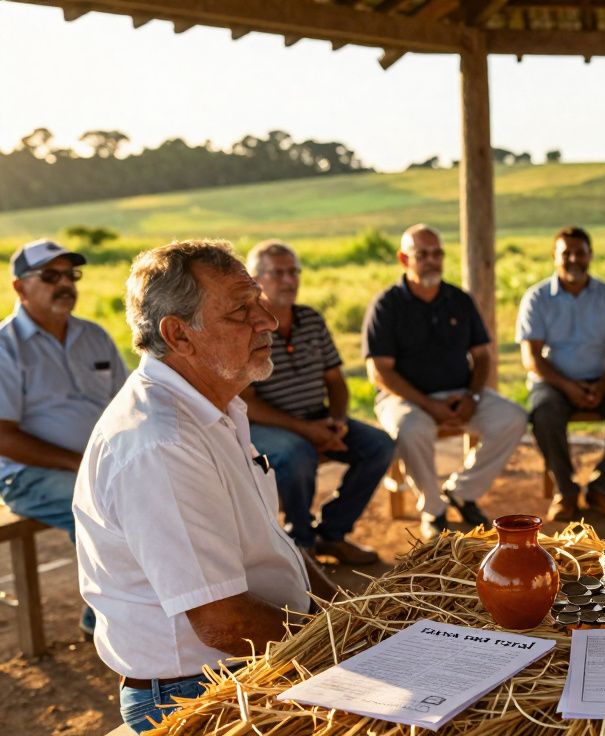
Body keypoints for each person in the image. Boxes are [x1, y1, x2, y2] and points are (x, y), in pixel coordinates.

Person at [73, 240, 337, 733]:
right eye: (241, 309)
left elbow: (272, 543)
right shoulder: (161, 443)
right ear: (179, 335)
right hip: (199, 689)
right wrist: (346, 642)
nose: (268, 320)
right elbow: (224, 623)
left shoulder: (213, 407)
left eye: (258, 300)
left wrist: (343, 613)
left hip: (247, 663)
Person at [365, 225, 527, 540]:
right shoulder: (387, 305)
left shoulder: (459, 299)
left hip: (461, 393)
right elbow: (380, 372)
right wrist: (429, 405)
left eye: (437, 253)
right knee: (410, 430)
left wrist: (472, 396)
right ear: (403, 259)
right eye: (421, 254)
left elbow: (481, 356)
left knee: (513, 418)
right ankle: (433, 509)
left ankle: (462, 492)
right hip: (404, 398)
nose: (431, 260)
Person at [1, 239, 126, 637]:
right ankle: (104, 621)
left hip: (100, 464)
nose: (65, 284)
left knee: (156, 488)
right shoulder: (5, 347)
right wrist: (80, 464)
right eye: (50, 276)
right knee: (100, 504)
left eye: (70, 275)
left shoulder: (94, 335)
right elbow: (3, 437)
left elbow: (128, 404)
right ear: (20, 287)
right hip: (27, 476)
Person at [242, 240, 393, 565]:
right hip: (265, 427)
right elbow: (248, 404)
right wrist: (306, 430)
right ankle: (301, 545)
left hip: (318, 417)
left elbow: (336, 381)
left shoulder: (310, 318)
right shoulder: (247, 329)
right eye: (278, 273)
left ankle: (332, 535)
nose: (289, 280)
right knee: (298, 453)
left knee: (379, 446)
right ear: (255, 280)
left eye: (293, 271)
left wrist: (337, 421)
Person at [517, 226, 605, 522]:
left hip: (603, 380)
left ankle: (602, 490)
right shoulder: (537, 298)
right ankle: (566, 492)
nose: (573, 259)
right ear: (554, 257)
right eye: (566, 253)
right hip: (553, 380)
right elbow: (532, 357)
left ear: (590, 255)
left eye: (580, 252)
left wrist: (601, 386)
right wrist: (567, 386)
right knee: (543, 412)